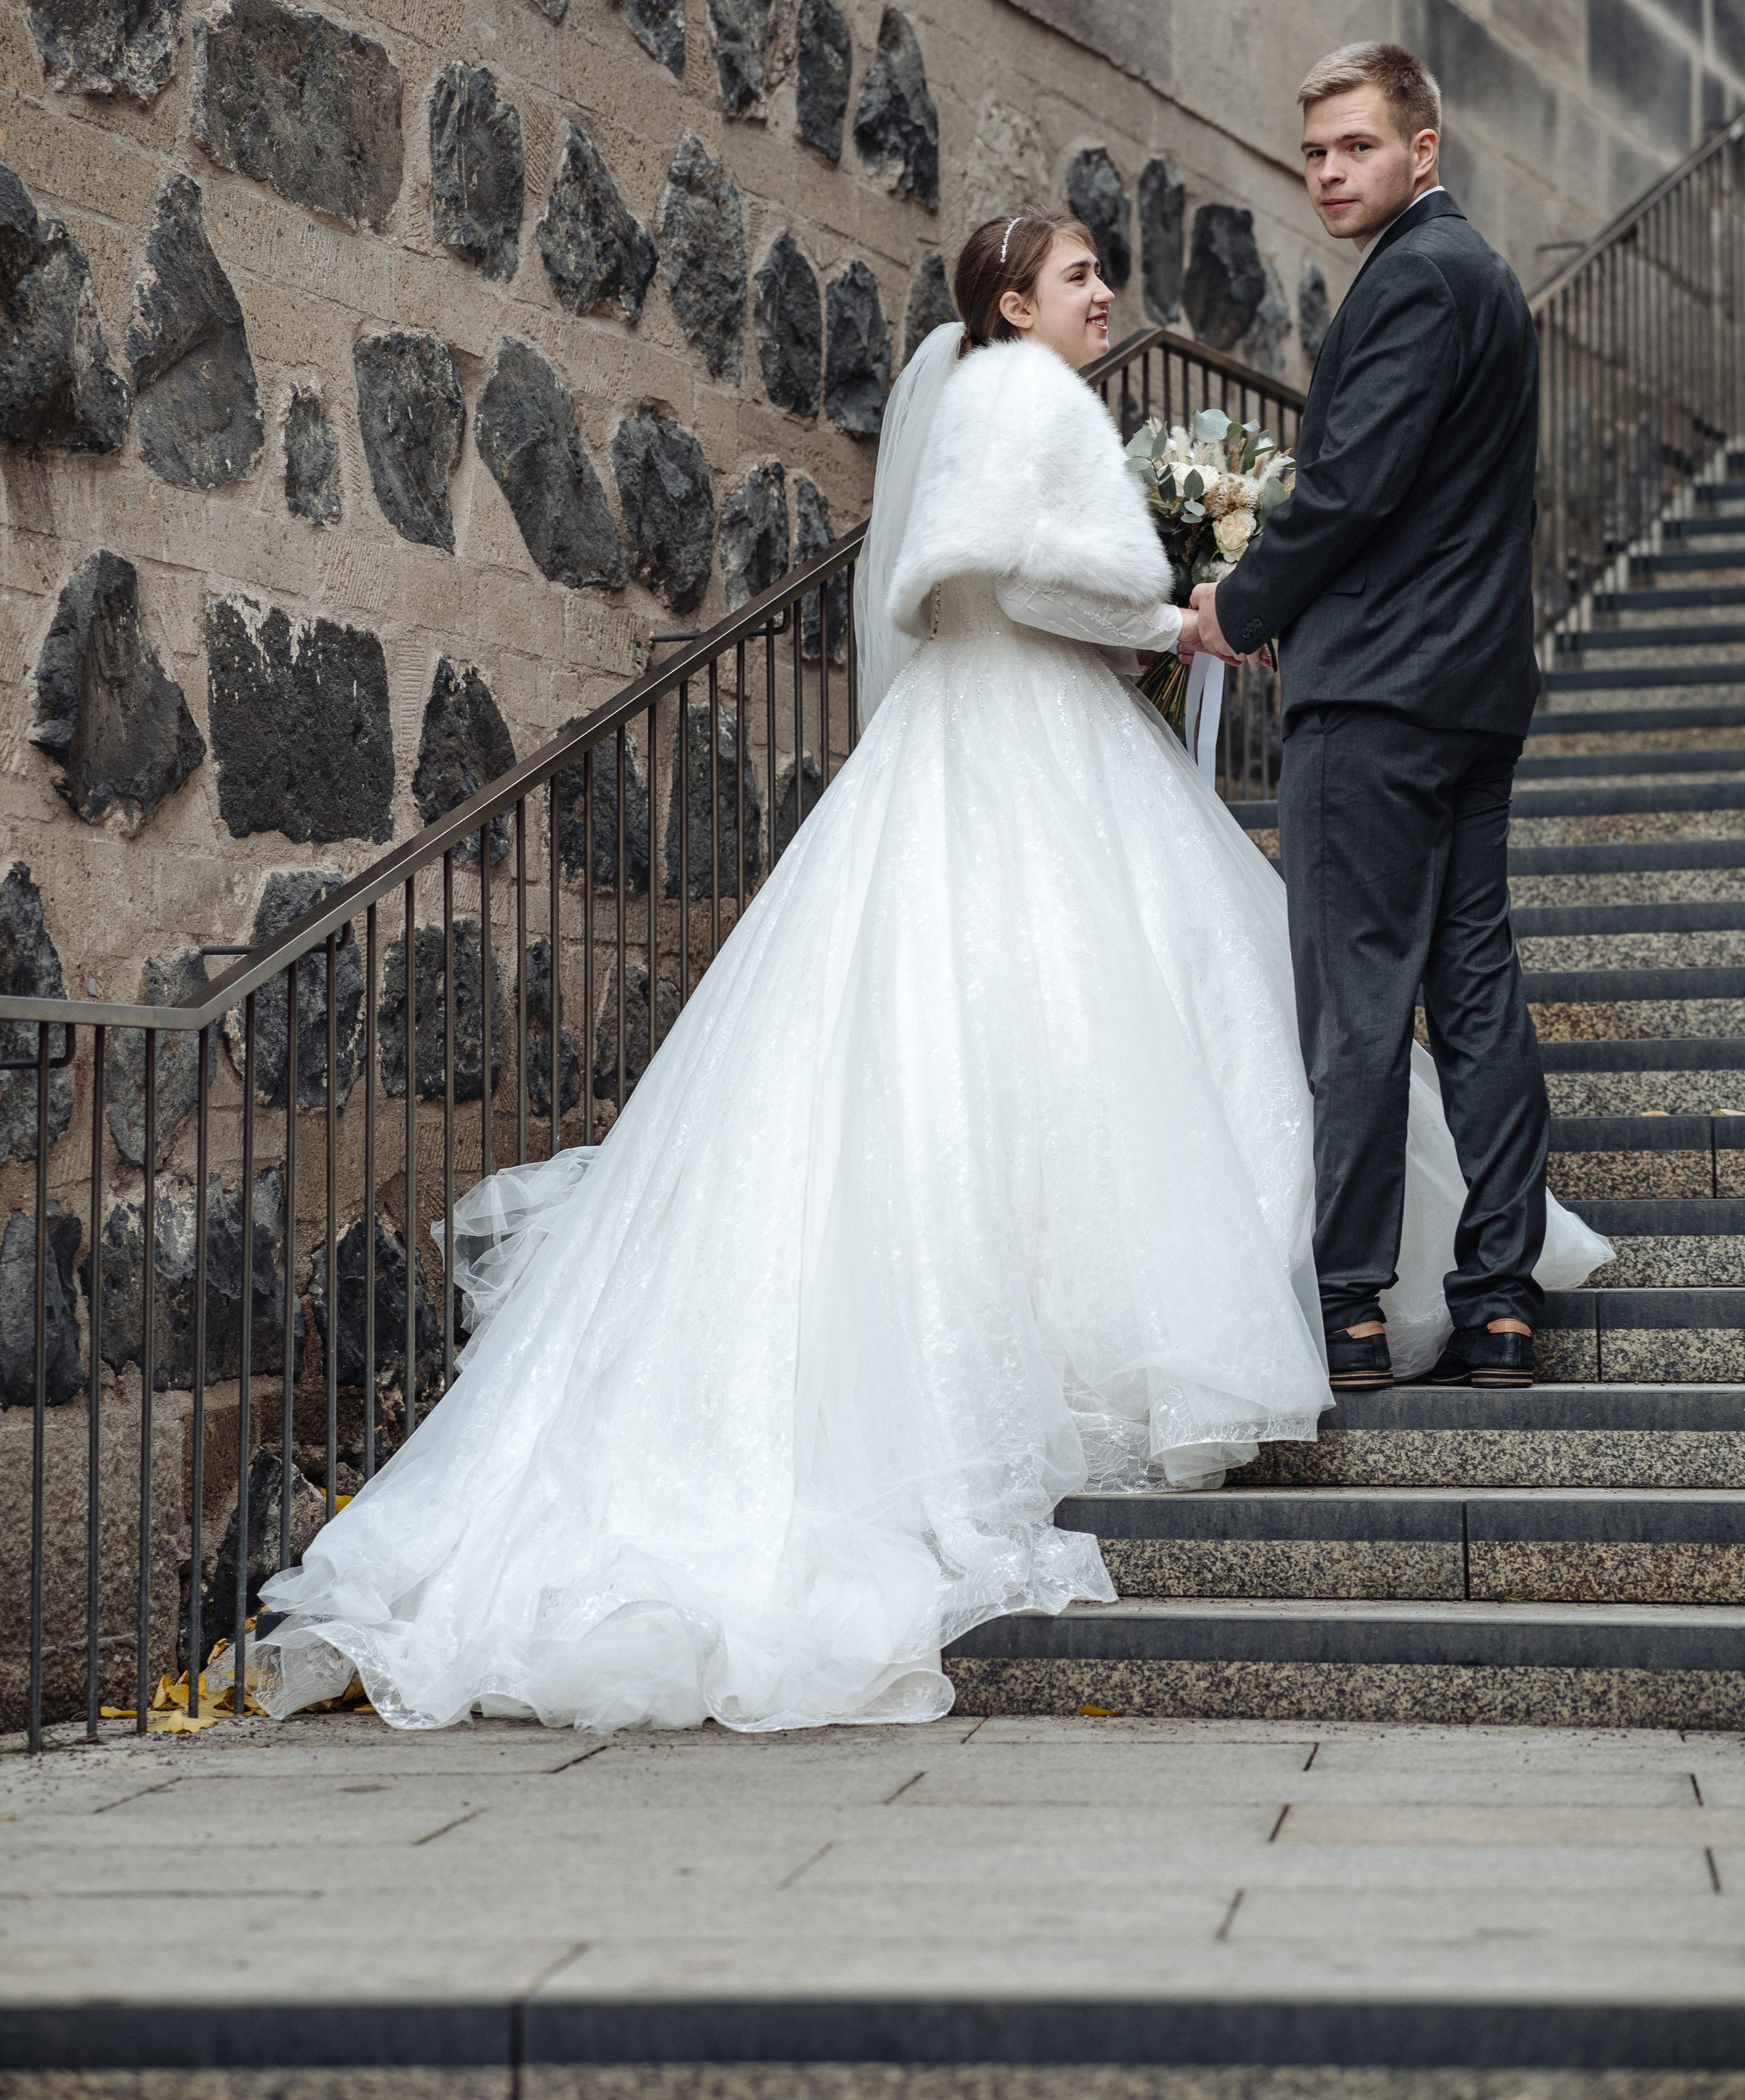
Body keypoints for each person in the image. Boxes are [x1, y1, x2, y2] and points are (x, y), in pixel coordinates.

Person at [247, 211, 1607, 1738]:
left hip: (1015, 731)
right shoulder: (1020, 395)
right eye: (1081, 275)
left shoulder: (1002, 395)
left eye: (1103, 271)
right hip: (1020, 735)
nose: (1106, 292)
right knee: (1076, 1018)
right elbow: (1012, 580)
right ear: (1014, 303)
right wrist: (1174, 617)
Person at [1199, 41, 1551, 1393]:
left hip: (1380, 702)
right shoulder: (1483, 283)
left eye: (1354, 145)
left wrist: (1238, 603)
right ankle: (1499, 1300)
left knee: (1354, 1011)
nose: (1328, 173)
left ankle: (1349, 1303)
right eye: (1313, 152)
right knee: (1471, 997)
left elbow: (1347, 492)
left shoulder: (1415, 280)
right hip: (1467, 697)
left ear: (1424, 149)